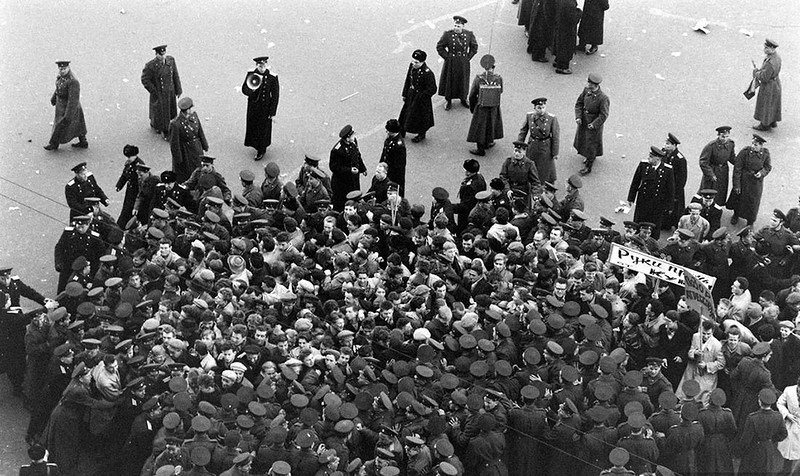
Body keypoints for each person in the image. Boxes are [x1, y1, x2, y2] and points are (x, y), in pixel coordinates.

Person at [625, 146, 675, 240]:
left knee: (654, 224)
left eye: (651, 157)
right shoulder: (643, 165)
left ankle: (652, 242)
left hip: (657, 203)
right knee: (639, 221)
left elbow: (670, 189)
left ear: (658, 159)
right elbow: (635, 182)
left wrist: (669, 206)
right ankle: (636, 239)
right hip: (643, 200)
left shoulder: (667, 170)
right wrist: (631, 198)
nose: (648, 158)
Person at [736, 388, 788, 475]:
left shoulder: (752, 418)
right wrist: (771, 440)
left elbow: (745, 440)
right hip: (769, 449)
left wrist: (739, 451)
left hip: (753, 450)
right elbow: (783, 434)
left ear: (759, 401)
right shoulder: (778, 416)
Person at [436, 15, 478, 110]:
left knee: (463, 81)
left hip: (463, 62)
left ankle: (463, 98)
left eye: (458, 26)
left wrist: (468, 58)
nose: (456, 28)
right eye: (455, 25)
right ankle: (449, 100)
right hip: (451, 61)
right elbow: (439, 47)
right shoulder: (447, 35)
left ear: (463, 26)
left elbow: (474, 47)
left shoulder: (469, 34)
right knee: (450, 80)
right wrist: (447, 57)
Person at [242, 56, 280, 161]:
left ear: (266, 65)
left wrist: (272, 112)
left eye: (263, 65)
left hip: (265, 108)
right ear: (256, 65)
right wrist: (252, 90)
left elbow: (275, 96)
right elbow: (244, 89)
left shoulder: (272, 77)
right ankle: (254, 144)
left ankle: (261, 149)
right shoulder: (251, 74)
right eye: (259, 65)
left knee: (263, 129)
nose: (262, 67)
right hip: (253, 107)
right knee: (253, 126)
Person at [141, 44, 182, 140]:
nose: (162, 57)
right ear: (156, 54)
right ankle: (162, 129)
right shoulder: (150, 66)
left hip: (170, 91)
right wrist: (154, 91)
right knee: (160, 112)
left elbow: (175, 75)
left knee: (170, 111)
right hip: (160, 93)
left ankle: (170, 127)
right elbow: (145, 79)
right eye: (160, 55)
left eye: (163, 55)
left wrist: (178, 89)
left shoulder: (171, 61)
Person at [44, 61, 88, 151]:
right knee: (77, 125)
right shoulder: (61, 77)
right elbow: (58, 88)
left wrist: (69, 114)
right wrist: (54, 98)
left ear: (68, 68)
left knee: (61, 125)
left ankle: (54, 144)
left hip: (70, 107)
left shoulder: (73, 81)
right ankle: (83, 142)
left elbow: (73, 100)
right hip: (61, 106)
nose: (62, 71)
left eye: (64, 69)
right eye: (60, 69)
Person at [730, 134, 771, 226]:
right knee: (739, 198)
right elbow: (737, 168)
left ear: (761, 145)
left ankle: (750, 221)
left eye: (756, 145)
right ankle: (736, 215)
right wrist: (736, 185)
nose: (753, 146)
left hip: (756, 183)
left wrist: (761, 173)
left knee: (753, 202)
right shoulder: (745, 152)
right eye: (752, 143)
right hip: (743, 180)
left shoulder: (765, 154)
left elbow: (768, 167)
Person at [467, 54, 504, 156]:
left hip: (481, 106)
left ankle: (480, 149)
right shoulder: (498, 78)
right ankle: (488, 142)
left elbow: (472, 95)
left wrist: (473, 107)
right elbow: (501, 91)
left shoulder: (479, 79)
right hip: (494, 107)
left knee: (480, 126)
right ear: (494, 67)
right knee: (491, 124)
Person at [517, 97, 560, 184]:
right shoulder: (529, 116)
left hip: (545, 146)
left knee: (545, 167)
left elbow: (556, 136)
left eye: (543, 107)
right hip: (532, 145)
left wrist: (555, 152)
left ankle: (546, 184)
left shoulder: (552, 118)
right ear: (535, 108)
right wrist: (519, 145)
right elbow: (523, 131)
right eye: (539, 108)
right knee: (530, 164)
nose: (541, 110)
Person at [574, 73, 609, 175]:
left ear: (596, 85)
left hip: (593, 124)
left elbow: (603, 115)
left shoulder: (603, 98)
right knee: (584, 140)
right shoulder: (586, 91)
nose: (588, 84)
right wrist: (578, 117)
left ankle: (588, 166)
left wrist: (594, 124)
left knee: (591, 144)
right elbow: (579, 104)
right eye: (588, 82)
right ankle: (588, 156)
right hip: (584, 121)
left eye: (591, 83)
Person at [398, 49, 437, 143]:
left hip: (421, 98)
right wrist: (405, 93)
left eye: (416, 62)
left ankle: (421, 134)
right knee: (405, 113)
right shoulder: (412, 67)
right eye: (413, 61)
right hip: (411, 93)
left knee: (421, 117)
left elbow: (433, 89)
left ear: (422, 62)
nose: (413, 63)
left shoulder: (427, 73)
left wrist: (422, 96)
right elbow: (408, 80)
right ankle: (402, 130)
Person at [169, 97, 208, 183]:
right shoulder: (176, 124)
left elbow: (200, 131)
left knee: (198, 168)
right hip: (186, 152)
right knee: (187, 173)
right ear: (187, 110)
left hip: (197, 148)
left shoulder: (194, 116)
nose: (192, 110)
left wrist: (204, 145)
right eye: (190, 108)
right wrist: (178, 160)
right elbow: (174, 144)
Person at [329, 125, 366, 211]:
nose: (354, 137)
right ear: (347, 138)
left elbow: (357, 155)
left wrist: (362, 168)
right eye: (352, 136)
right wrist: (349, 170)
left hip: (353, 180)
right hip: (342, 183)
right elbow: (334, 167)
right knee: (342, 204)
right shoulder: (337, 150)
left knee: (354, 199)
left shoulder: (353, 142)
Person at [698, 126, 736, 206]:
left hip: (723, 171)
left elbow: (732, 157)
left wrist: (740, 164)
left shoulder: (730, 144)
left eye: (727, 136)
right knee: (708, 190)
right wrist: (710, 174)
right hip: (713, 170)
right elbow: (703, 161)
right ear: (718, 135)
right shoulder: (711, 146)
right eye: (722, 136)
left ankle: (716, 208)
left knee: (721, 190)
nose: (724, 139)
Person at [752, 38, 782, 131]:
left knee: (765, 104)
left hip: (769, 86)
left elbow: (764, 77)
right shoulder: (776, 57)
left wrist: (756, 73)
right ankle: (772, 121)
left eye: (767, 48)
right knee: (773, 103)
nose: (764, 49)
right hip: (776, 83)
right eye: (765, 47)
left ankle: (764, 125)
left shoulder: (770, 63)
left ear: (772, 48)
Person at [500, 142, 540, 206]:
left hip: (523, 191)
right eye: (515, 151)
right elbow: (503, 177)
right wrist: (507, 189)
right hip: (511, 190)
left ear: (524, 152)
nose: (516, 154)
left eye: (519, 152)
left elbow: (535, 181)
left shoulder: (529, 164)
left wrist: (536, 195)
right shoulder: (508, 162)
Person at [115, 145, 144, 228]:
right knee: (126, 208)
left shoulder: (139, 166)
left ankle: (124, 226)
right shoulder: (129, 163)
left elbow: (141, 182)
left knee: (130, 210)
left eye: (129, 156)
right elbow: (125, 175)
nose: (127, 158)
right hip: (130, 190)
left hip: (137, 191)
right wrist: (119, 185)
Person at [662, 133, 687, 230]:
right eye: (666, 143)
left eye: (668, 144)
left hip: (675, 188)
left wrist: (676, 193)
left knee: (675, 208)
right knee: (664, 207)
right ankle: (664, 224)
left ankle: (675, 225)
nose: (665, 146)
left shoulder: (679, 159)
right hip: (665, 186)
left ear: (674, 145)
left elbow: (682, 179)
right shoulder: (664, 153)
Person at [552, 0, 581, 74]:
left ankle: (557, 61)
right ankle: (562, 67)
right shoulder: (570, 3)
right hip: (567, 30)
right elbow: (573, 19)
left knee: (559, 44)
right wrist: (579, 13)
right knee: (566, 48)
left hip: (559, 25)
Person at [380, 119, 407, 197]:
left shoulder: (399, 146)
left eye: (388, 130)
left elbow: (399, 165)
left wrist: (388, 171)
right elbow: (384, 152)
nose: (387, 132)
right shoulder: (390, 139)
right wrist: (381, 163)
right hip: (387, 168)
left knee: (394, 190)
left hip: (394, 173)